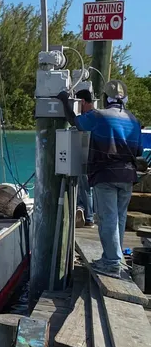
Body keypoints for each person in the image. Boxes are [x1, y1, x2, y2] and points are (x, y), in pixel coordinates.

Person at [57, 80, 142, 279]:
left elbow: (75, 122)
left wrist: (64, 102)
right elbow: (138, 151)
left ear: (104, 98)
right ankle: (114, 258)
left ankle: (111, 263)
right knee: (119, 218)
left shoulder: (98, 116)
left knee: (108, 219)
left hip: (106, 174)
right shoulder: (134, 120)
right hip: (128, 176)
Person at [74, 89, 95, 228]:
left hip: (89, 157)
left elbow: (75, 121)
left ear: (82, 102)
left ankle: (89, 217)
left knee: (85, 187)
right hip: (95, 157)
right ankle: (82, 209)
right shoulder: (97, 115)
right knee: (87, 188)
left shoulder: (89, 116)